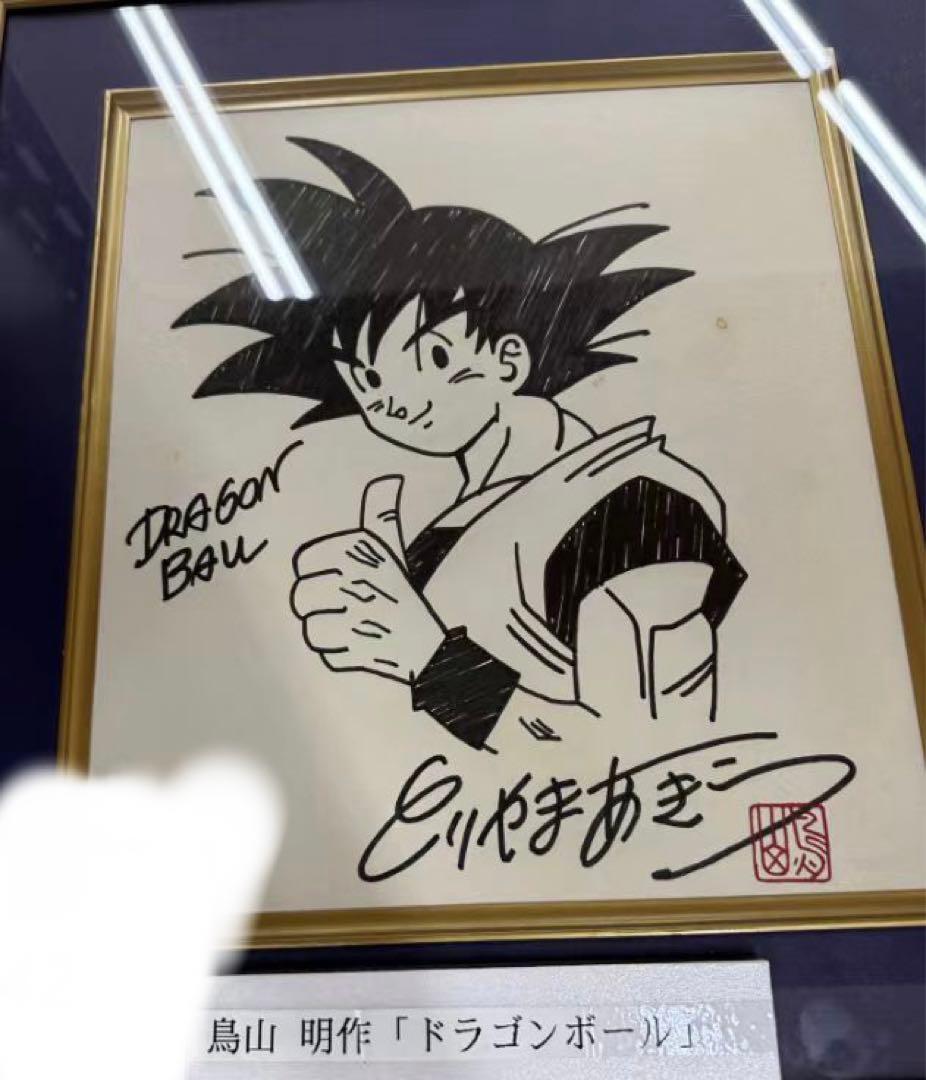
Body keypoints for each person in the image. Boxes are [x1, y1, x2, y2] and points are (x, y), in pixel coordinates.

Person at [175, 139, 747, 753]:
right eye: (368, 378)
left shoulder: (637, 508)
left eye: (434, 357)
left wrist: (426, 657)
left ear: (509, 360)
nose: (393, 397)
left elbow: (655, 754)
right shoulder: (450, 518)